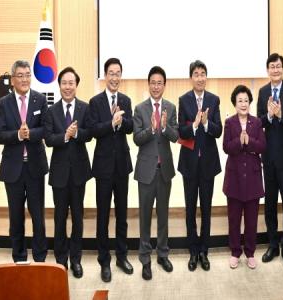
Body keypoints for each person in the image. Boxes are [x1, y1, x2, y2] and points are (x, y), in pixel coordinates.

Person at [0, 60, 48, 262]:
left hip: (34, 167)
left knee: (38, 217)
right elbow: (0, 135)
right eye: (21, 75)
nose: (25, 79)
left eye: (28, 75)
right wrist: (18, 135)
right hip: (13, 169)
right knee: (16, 218)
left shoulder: (40, 100)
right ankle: (19, 258)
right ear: (13, 79)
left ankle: (40, 258)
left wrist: (30, 133)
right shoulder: (4, 103)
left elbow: (45, 129)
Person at [89, 58, 134, 282]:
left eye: (118, 73)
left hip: (122, 167)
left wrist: (121, 121)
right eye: (111, 73)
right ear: (105, 76)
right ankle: (104, 260)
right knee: (103, 215)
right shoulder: (95, 102)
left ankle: (121, 256)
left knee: (122, 214)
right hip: (103, 167)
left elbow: (131, 126)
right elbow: (94, 130)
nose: (115, 77)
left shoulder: (126, 99)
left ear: (121, 76)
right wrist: (111, 122)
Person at [44, 67, 92, 278]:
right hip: (60, 173)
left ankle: (76, 259)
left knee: (78, 218)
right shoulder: (51, 111)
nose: (68, 86)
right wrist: (65, 135)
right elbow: (48, 139)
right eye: (64, 82)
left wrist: (77, 133)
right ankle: (60, 261)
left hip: (79, 173)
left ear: (76, 85)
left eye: (71, 82)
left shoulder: (84, 108)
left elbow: (89, 134)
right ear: (60, 85)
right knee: (60, 217)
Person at [133, 66, 179, 280]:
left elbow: (175, 135)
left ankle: (162, 254)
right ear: (148, 84)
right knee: (145, 217)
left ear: (164, 85)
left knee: (163, 215)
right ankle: (145, 258)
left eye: (160, 82)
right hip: (146, 171)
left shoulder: (170, 107)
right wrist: (152, 129)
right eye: (153, 82)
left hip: (164, 171)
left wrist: (165, 126)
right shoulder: (140, 109)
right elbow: (136, 138)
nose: (156, 86)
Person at [178, 60, 223, 271]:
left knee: (206, 209)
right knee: (190, 209)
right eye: (196, 74)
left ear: (206, 76)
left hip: (208, 164)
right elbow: (180, 131)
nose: (200, 77)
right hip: (189, 164)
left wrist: (206, 123)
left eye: (203, 73)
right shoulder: (184, 100)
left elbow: (218, 130)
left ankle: (204, 250)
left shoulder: (214, 100)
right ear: (191, 78)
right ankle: (193, 251)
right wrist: (195, 125)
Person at [257, 53, 283, 269]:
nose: (275, 70)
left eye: (278, 66)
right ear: (267, 70)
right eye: (272, 66)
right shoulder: (263, 92)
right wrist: (270, 116)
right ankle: (272, 244)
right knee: (271, 204)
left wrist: (281, 114)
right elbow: (258, 123)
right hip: (268, 158)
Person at [222, 85, 265, 269]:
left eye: (246, 100)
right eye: (240, 100)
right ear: (234, 103)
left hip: (253, 178)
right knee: (234, 218)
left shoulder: (257, 123)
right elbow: (226, 147)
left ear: (250, 102)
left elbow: (262, 146)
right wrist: (239, 141)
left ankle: (250, 252)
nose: (243, 104)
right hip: (235, 178)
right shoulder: (229, 123)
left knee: (251, 219)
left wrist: (250, 142)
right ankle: (235, 251)